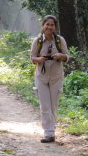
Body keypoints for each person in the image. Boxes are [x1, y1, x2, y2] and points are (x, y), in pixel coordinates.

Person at [30, 15, 69, 143]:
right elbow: (32, 58)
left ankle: (51, 129)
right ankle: (49, 133)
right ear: (43, 26)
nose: (49, 27)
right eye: (47, 24)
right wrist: (40, 59)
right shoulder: (38, 41)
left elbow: (67, 56)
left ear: (55, 27)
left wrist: (60, 56)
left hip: (56, 77)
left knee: (53, 105)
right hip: (41, 77)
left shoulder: (60, 40)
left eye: (52, 25)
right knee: (45, 105)